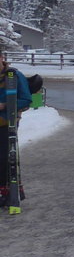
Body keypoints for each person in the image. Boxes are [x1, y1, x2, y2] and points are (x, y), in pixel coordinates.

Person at [1, 51, 33, 206]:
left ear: (1, 58)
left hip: (6, 125)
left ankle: (7, 193)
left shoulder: (13, 76)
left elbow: (26, 99)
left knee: (5, 160)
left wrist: (5, 105)